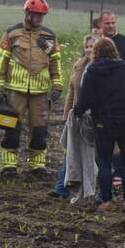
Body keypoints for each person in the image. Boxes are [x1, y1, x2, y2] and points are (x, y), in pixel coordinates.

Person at [0, 0, 63, 178]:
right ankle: (9, 166)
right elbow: (1, 61)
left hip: (40, 92)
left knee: (40, 130)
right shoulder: (12, 33)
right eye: (36, 15)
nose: (40, 18)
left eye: (42, 15)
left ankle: (37, 166)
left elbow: (56, 62)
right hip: (16, 90)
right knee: (12, 129)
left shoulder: (50, 36)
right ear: (28, 14)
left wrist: (57, 84)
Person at [73, 38, 125, 213]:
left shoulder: (92, 71)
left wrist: (77, 111)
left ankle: (106, 201)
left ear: (96, 52)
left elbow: (86, 99)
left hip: (104, 124)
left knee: (104, 161)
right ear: (114, 51)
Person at [50, 33, 98, 198]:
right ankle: (61, 188)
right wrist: (66, 114)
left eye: (92, 46)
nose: (89, 49)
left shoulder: (100, 68)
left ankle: (102, 193)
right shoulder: (78, 66)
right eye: (86, 46)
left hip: (94, 118)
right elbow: (71, 92)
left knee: (98, 155)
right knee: (70, 151)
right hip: (77, 116)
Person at [99, 10, 125, 77]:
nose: (111, 26)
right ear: (100, 24)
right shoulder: (94, 43)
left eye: (113, 23)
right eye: (107, 23)